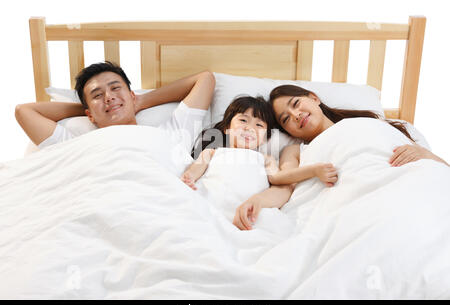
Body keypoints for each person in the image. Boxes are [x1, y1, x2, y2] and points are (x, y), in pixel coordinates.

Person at [232, 84, 449, 231]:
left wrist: (426, 154)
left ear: (314, 98)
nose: (296, 115)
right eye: (286, 118)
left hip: (411, 184)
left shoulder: (372, 123)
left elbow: (441, 170)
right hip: (357, 203)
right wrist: (258, 200)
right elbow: (285, 179)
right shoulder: (297, 151)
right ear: (288, 131)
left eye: (296, 104)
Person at [15, 61, 215, 154]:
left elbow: (205, 79)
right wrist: (95, 110)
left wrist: (139, 102)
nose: (109, 97)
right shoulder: (77, 145)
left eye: (115, 88)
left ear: (131, 94)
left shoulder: (172, 134)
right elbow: (24, 111)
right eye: (97, 95)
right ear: (89, 115)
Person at [180, 96, 276, 190]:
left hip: (251, 203)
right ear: (227, 128)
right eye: (243, 120)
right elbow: (197, 167)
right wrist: (190, 177)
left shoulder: (265, 158)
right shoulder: (212, 152)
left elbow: (276, 178)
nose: (250, 128)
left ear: (264, 138)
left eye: (259, 125)